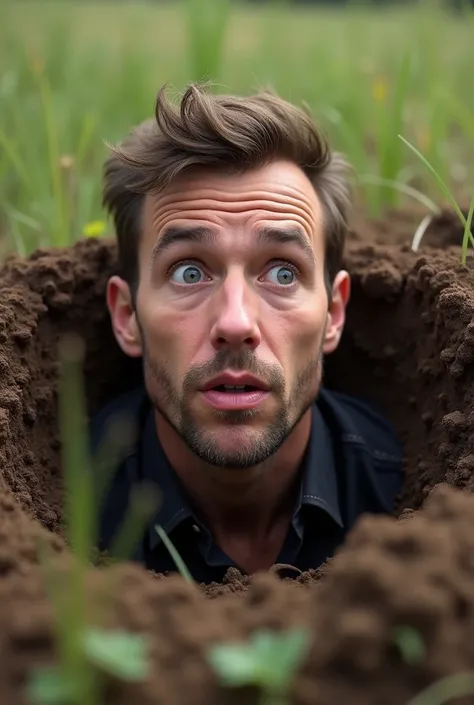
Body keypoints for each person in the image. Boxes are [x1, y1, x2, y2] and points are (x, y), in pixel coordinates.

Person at [91, 83, 403, 582]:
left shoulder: (407, 487)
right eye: (189, 272)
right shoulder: (65, 504)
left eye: (282, 272)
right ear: (127, 317)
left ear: (335, 314)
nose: (235, 323)